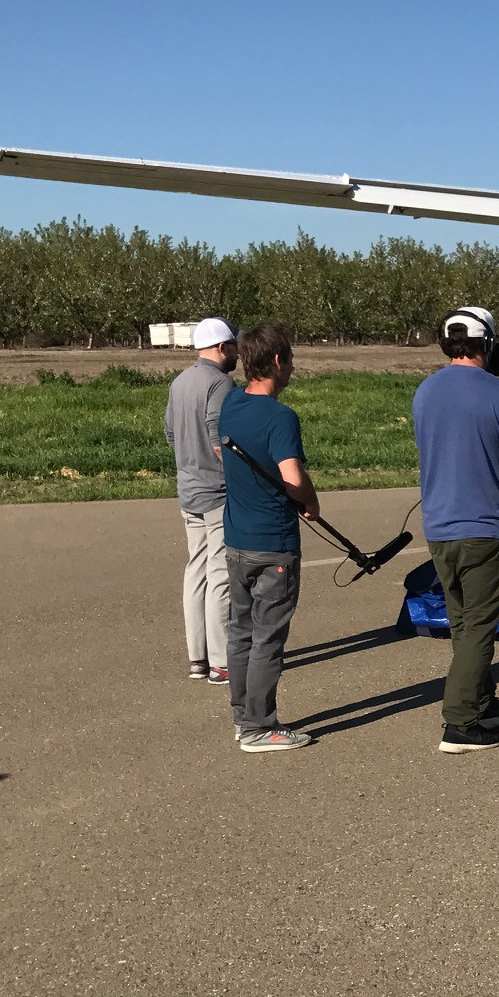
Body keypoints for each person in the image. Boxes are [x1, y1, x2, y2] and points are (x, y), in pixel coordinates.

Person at [412, 306, 499, 753]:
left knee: (463, 621)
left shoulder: (425, 391)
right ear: (487, 343)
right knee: (479, 629)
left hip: (439, 526)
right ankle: (461, 722)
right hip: (485, 526)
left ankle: (483, 701)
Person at [219, 322, 320, 752]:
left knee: (240, 631)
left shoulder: (231, 404)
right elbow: (292, 476)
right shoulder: (281, 417)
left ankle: (243, 715)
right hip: (273, 541)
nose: (293, 367)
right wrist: (310, 501)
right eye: (291, 359)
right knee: (268, 636)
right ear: (278, 362)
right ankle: (260, 726)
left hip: (236, 538)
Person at [164, 316, 237, 686]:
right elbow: (219, 438)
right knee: (220, 574)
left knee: (196, 571)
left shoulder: (180, 381)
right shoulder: (221, 383)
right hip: (217, 493)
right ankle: (222, 663)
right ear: (223, 347)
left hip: (187, 490)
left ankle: (198, 657)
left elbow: (170, 434)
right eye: (234, 345)